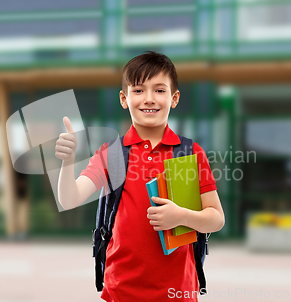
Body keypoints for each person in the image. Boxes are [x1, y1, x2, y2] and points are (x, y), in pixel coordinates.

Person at [55, 51, 225, 301]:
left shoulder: (189, 153)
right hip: (120, 291)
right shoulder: (111, 155)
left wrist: (181, 216)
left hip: (178, 293)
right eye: (138, 90)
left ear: (174, 98)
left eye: (159, 90)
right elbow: (69, 199)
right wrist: (67, 162)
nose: (149, 99)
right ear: (124, 99)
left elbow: (216, 218)